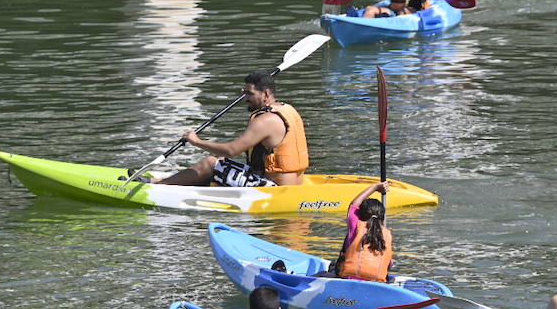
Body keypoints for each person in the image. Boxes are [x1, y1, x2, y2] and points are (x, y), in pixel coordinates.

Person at [157, 70, 308, 187]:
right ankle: (169, 181)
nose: (245, 99)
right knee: (221, 161)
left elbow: (232, 150)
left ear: (266, 94)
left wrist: (196, 141)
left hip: (275, 189)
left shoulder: (265, 120)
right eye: (244, 93)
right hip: (292, 183)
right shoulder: (287, 109)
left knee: (211, 163)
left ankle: (159, 187)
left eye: (250, 94)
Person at [333, 181, 394, 281]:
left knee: (331, 268)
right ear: (382, 219)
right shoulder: (387, 235)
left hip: (350, 280)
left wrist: (374, 187)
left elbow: (354, 205)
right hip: (377, 283)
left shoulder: (356, 226)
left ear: (360, 216)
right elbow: (389, 264)